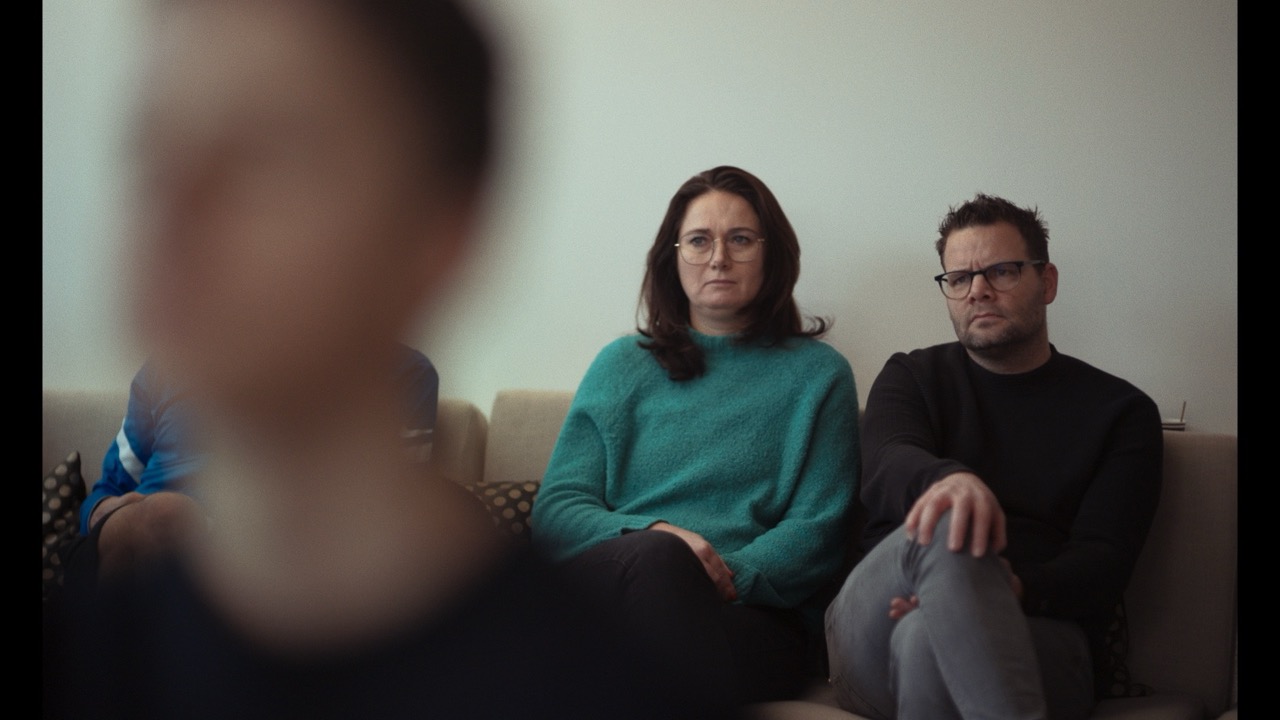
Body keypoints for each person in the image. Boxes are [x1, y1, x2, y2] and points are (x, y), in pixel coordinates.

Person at [42, 2, 735, 718]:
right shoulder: (82, 665)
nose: (173, 210)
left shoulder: (608, 692)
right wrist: (114, 523)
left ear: (446, 224)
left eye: (261, 155)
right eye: (151, 152)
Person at [530, 165, 861, 707]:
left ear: (773, 254)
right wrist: (661, 537)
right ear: (673, 256)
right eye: (700, 240)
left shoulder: (819, 376)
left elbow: (819, 528)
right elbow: (558, 509)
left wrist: (717, 574)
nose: (718, 257)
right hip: (622, 587)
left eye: (741, 239)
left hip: (748, 618)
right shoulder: (620, 366)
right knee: (656, 565)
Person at [823, 193, 1163, 720]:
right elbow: (889, 460)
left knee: (926, 637)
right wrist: (950, 482)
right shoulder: (911, 376)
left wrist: (987, 592)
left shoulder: (1122, 412)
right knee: (948, 521)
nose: (978, 290)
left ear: (1047, 282)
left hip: (1039, 633)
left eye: (1001, 271)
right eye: (959, 278)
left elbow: (1104, 560)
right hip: (877, 625)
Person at [67, 346, 438, 584]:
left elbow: (399, 513)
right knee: (159, 516)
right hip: (138, 546)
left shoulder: (404, 374)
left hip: (288, 563)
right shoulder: (167, 366)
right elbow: (106, 493)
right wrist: (109, 514)